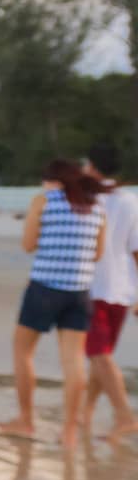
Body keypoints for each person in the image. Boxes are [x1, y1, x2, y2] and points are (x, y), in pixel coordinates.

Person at [0, 159, 107, 447]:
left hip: (44, 289)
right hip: (80, 292)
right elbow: (97, 253)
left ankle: (26, 421)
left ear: (53, 180)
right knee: (74, 362)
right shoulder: (96, 207)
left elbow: (28, 244)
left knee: (23, 352)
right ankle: (70, 432)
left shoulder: (44, 201)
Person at [80, 145, 138, 443]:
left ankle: (126, 417)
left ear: (92, 167)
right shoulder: (131, 201)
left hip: (93, 288)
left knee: (99, 355)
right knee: (101, 356)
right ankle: (86, 414)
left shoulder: (86, 200)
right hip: (123, 289)